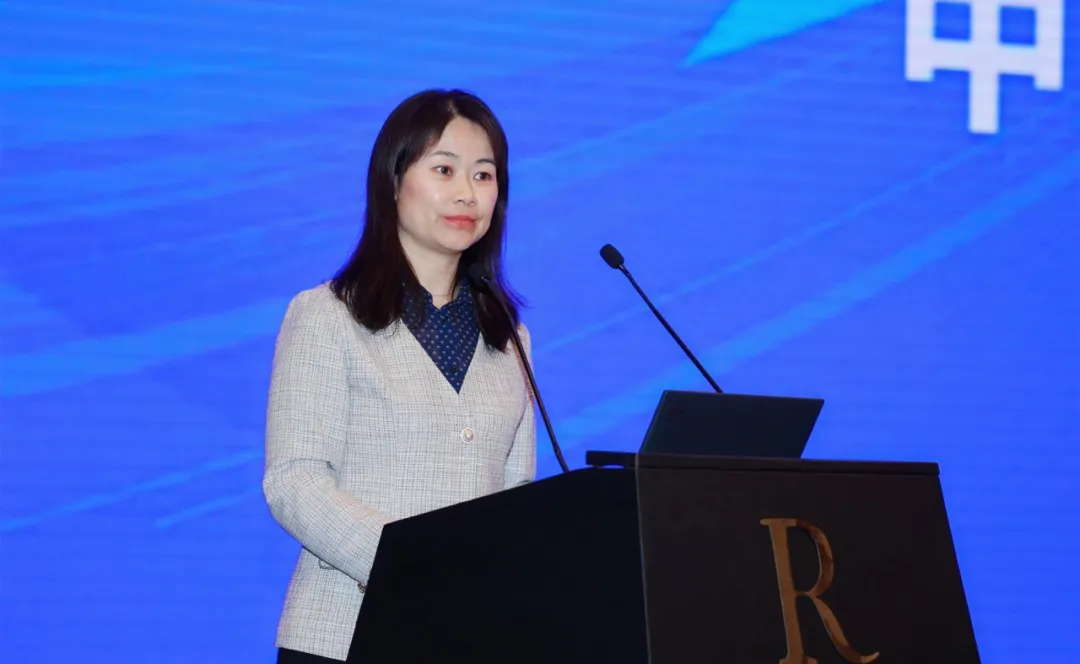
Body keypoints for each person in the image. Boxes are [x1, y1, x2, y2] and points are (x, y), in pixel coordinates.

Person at [262, 89, 537, 663]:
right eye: (444, 169)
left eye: (484, 175)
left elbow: (516, 497)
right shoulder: (325, 316)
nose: (467, 193)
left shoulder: (510, 337)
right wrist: (409, 560)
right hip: (346, 634)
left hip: (474, 641)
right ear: (393, 180)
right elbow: (294, 480)